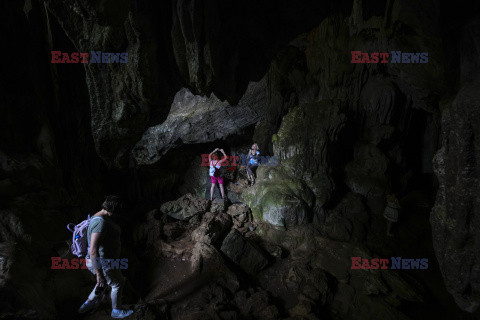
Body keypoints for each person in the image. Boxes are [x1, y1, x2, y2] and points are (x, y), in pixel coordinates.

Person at [78, 195, 134, 319]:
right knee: (117, 283)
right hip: (104, 262)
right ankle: (116, 311)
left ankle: (87, 305)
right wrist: (98, 273)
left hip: (102, 261)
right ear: (114, 210)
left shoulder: (98, 216)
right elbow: (93, 250)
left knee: (102, 283)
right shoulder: (101, 223)